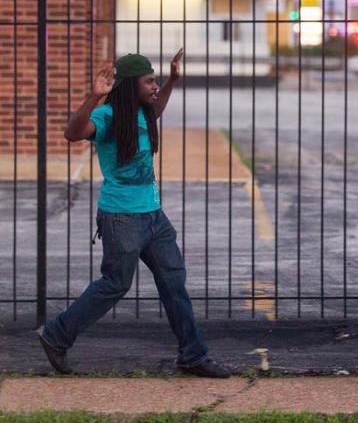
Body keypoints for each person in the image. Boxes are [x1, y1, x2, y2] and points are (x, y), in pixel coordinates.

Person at [37, 50, 230, 378]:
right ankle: (55, 335)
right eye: (149, 81)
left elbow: (156, 110)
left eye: (155, 80)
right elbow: (72, 133)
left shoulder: (141, 111)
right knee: (114, 284)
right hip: (122, 217)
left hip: (153, 216)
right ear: (130, 86)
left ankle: (193, 355)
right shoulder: (108, 115)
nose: (154, 86)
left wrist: (171, 82)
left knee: (174, 282)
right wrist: (93, 97)